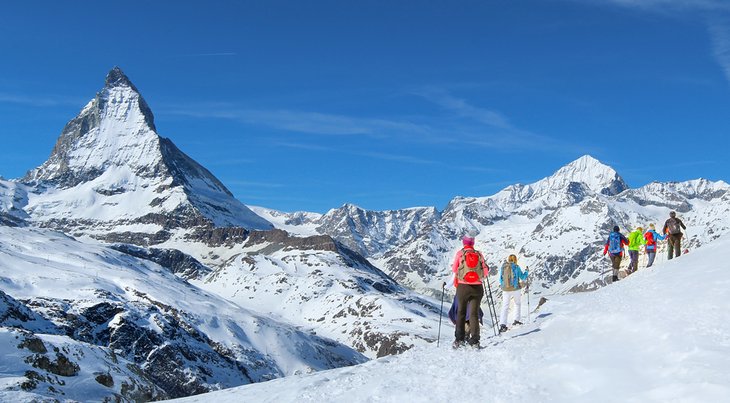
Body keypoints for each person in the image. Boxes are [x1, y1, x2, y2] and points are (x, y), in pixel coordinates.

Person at [451, 230, 489, 348]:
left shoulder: (460, 253)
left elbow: (454, 269)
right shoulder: (479, 254)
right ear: (473, 243)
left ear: (464, 243)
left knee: (461, 312)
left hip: (463, 287)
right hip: (477, 288)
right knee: (473, 314)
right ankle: (475, 341)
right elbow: (486, 271)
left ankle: (459, 339)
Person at [498, 254, 528, 333]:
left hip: (505, 289)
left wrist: (503, 285)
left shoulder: (503, 267)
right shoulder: (516, 267)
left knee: (505, 306)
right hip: (515, 288)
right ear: (515, 260)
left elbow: (500, 278)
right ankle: (516, 320)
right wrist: (526, 272)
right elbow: (523, 277)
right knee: (517, 303)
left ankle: (503, 324)